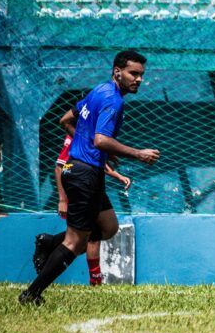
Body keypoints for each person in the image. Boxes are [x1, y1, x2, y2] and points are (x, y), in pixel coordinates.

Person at [19, 50, 160, 305]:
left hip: (85, 171)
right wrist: (137, 153)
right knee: (75, 243)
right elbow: (101, 139)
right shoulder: (113, 101)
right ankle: (31, 294)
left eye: (141, 75)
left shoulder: (100, 90)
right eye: (133, 73)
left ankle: (49, 241)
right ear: (117, 72)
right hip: (83, 174)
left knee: (108, 227)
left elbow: (66, 120)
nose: (138, 79)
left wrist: (97, 149)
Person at [54, 132, 131, 285]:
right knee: (92, 235)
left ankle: (50, 242)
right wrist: (62, 199)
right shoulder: (75, 134)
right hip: (82, 186)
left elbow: (97, 161)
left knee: (108, 228)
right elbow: (59, 167)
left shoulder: (94, 132)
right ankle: (95, 279)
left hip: (95, 185)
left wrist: (117, 176)